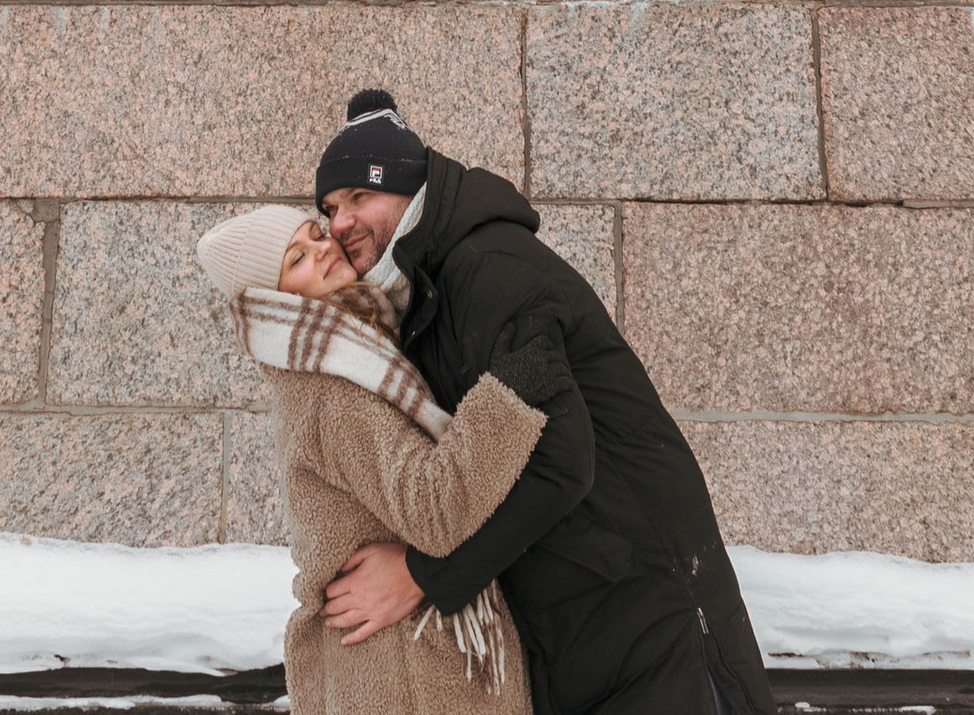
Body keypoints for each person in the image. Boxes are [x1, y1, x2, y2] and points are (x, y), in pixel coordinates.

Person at [310, 90, 772, 715]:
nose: (340, 223)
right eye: (330, 207)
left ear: (409, 188)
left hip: (646, 616)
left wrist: (421, 576)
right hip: (575, 628)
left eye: (359, 197)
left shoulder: (489, 270)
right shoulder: (425, 297)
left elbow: (559, 460)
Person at [196, 200, 569, 715]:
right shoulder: (332, 389)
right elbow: (434, 510)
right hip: (405, 673)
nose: (323, 250)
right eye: (296, 259)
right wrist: (511, 394)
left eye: (314, 235)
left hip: (397, 658)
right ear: (275, 299)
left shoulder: (353, 354)